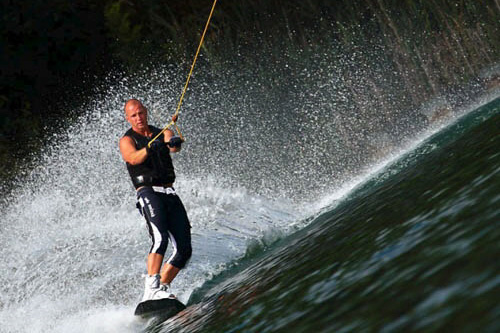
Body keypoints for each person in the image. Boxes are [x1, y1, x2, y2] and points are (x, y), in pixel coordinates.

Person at [119, 98, 192, 302]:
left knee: (184, 249)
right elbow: (133, 158)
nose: (138, 118)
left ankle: (162, 288)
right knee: (160, 239)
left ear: (146, 112)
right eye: (134, 115)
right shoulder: (127, 140)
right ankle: (151, 287)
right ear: (128, 118)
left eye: (141, 113)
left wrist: (174, 143)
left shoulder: (161, 132)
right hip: (148, 193)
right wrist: (152, 147)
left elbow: (172, 144)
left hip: (169, 193)